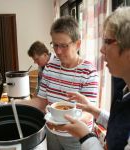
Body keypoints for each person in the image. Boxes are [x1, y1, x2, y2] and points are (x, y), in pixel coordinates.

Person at [52, 7, 130, 150]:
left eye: (107, 41)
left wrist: (85, 135)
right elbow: (121, 127)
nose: (101, 49)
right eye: (55, 45)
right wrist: (96, 111)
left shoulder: (89, 70)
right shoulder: (124, 88)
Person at [17, 16, 99, 150]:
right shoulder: (50, 67)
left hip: (77, 136)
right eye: (55, 45)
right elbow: (41, 101)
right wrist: (15, 104)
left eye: (64, 46)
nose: (58, 51)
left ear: (77, 44)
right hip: (51, 132)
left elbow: (89, 112)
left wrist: (66, 121)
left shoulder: (88, 71)